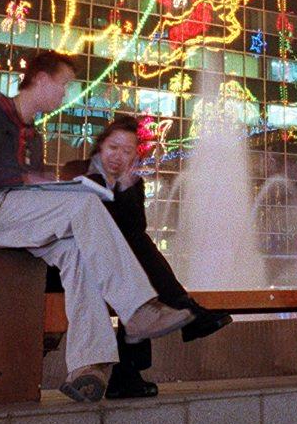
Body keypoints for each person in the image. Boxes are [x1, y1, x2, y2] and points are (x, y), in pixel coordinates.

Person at [0, 50, 194, 402]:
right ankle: (137, 310)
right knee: (83, 204)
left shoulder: (34, 137)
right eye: (63, 85)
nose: (64, 94)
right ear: (40, 80)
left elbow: (28, 189)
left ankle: (90, 365)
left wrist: (39, 183)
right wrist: (27, 177)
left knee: (75, 251)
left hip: (13, 215)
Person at [64, 113, 233, 399]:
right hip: (77, 265)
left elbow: (135, 228)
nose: (119, 156)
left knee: (139, 276)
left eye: (128, 151)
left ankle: (128, 374)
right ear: (100, 146)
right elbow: (98, 230)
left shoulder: (132, 183)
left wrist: (125, 189)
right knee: (137, 261)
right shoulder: (77, 172)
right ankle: (183, 311)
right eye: (113, 148)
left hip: (121, 269)